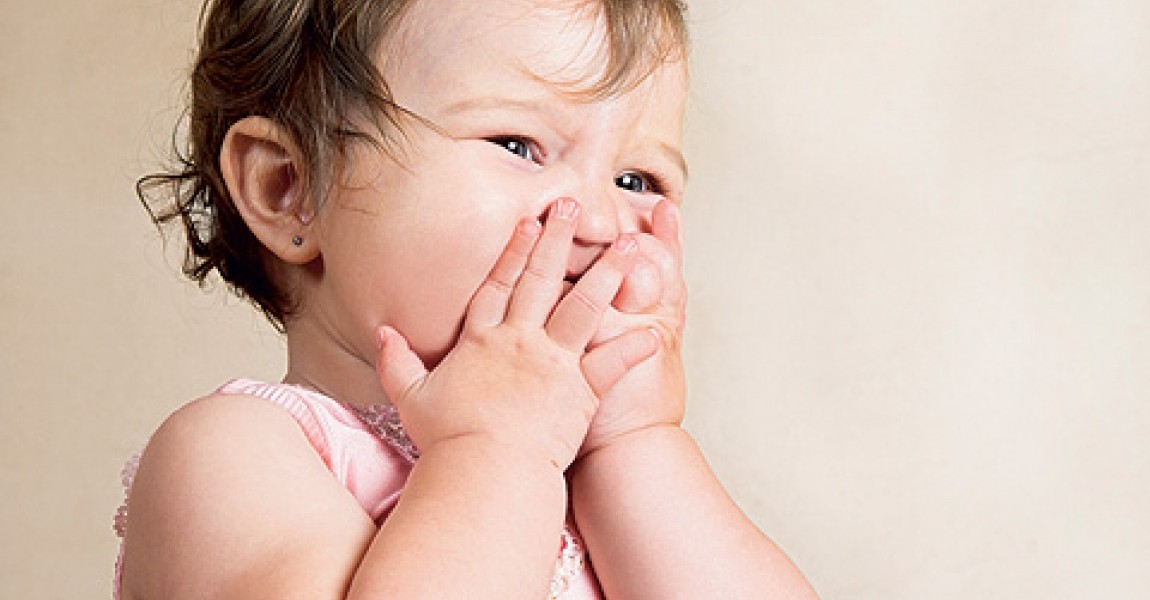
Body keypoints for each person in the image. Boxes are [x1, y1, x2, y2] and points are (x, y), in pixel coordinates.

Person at [114, 0, 819, 598]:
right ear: (288, 188)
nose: (600, 223)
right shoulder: (231, 455)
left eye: (638, 182)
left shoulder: (600, 477)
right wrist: (496, 449)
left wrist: (634, 442)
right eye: (518, 144)